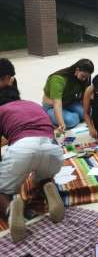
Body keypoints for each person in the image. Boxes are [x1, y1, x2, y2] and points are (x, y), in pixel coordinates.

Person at [0, 86, 64, 242]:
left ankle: (10, 209)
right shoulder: (33, 105)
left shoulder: (1, 110)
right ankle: (48, 187)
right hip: (53, 150)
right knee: (42, 175)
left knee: (2, 191)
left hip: (23, 149)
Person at [42, 59, 94, 131]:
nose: (84, 79)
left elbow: (86, 97)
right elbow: (57, 103)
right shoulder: (58, 79)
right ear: (77, 70)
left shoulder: (81, 79)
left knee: (88, 113)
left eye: (87, 77)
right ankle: (50, 114)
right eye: (83, 76)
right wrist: (61, 123)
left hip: (69, 102)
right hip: (52, 106)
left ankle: (70, 114)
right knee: (70, 121)